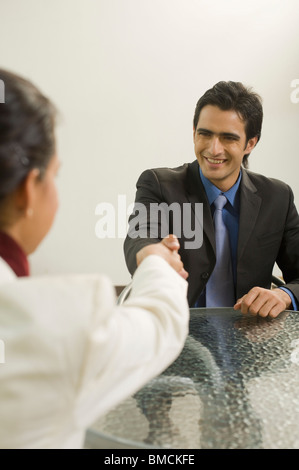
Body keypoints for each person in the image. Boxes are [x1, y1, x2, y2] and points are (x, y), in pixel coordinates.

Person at [0, 68, 190, 449]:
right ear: (27, 191)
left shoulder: (277, 196)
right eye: (54, 175)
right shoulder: (46, 331)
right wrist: (156, 259)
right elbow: (160, 324)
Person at [124, 81, 299, 318]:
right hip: (179, 339)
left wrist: (284, 294)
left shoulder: (277, 197)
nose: (213, 149)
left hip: (251, 343)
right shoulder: (158, 184)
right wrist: (151, 254)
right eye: (205, 134)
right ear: (194, 130)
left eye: (228, 138)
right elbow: (140, 235)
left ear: (250, 143)